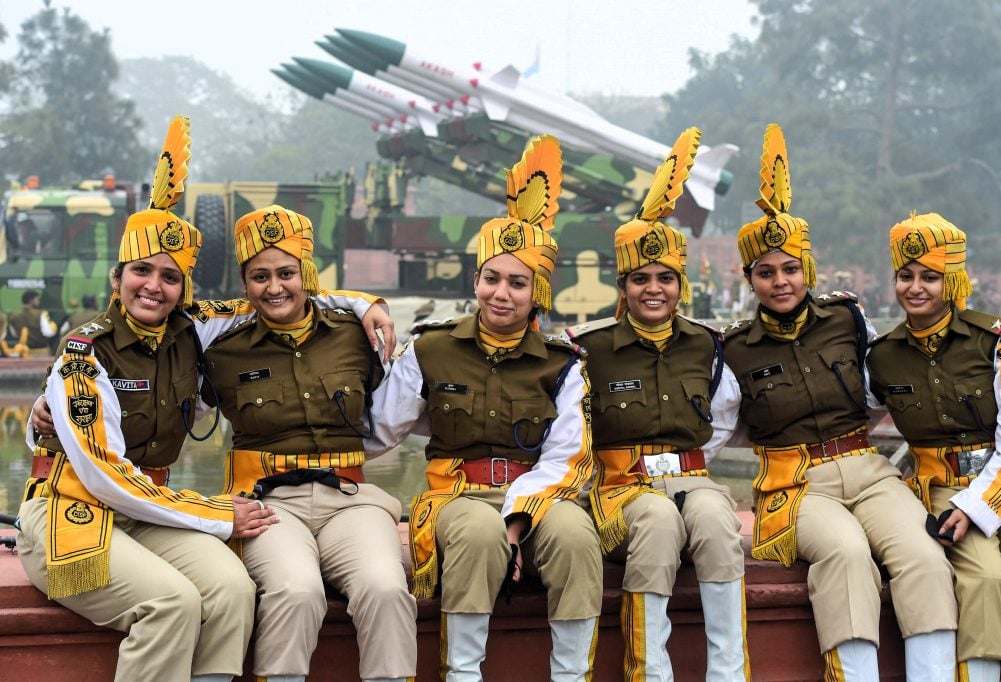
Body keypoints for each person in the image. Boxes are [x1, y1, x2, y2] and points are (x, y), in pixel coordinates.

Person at [15, 116, 276, 682]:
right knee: (171, 604)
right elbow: (106, 476)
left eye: (170, 275)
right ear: (118, 278)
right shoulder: (83, 354)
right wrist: (213, 511)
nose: (154, 286)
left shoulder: (193, 329)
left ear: (186, 289)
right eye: (141, 271)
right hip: (73, 509)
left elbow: (278, 298)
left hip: (146, 512)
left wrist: (365, 304)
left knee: (234, 588)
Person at [721, 124, 958, 681]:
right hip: (794, 484)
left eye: (790, 268)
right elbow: (708, 429)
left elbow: (884, 386)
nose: (781, 281)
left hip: (869, 470)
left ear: (808, 268)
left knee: (923, 555)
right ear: (750, 278)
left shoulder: (846, 320)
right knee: (848, 554)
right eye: (766, 272)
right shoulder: (732, 348)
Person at [368, 135, 602, 681]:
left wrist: (518, 517)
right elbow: (379, 430)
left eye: (518, 283)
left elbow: (569, 458)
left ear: (536, 292)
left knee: (575, 537)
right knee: (476, 532)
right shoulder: (431, 346)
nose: (502, 293)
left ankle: (571, 675)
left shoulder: (563, 362)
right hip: (457, 493)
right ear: (474, 281)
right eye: (492, 279)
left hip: (540, 491)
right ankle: (463, 672)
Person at [201, 204, 416, 682]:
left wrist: (366, 303)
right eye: (260, 276)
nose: (274, 287)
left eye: (286, 273)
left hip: (350, 501)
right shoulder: (222, 351)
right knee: (296, 590)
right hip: (267, 503)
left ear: (307, 273)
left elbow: (409, 398)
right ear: (244, 283)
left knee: (385, 586)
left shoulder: (356, 335)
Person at [566, 127, 748, 681]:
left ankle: (728, 673)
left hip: (693, 481)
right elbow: (570, 430)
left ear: (680, 283)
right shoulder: (587, 347)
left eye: (665, 278)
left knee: (718, 521)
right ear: (622, 286)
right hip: (621, 491)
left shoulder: (705, 343)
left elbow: (719, 419)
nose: (654, 289)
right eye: (640, 278)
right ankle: (650, 673)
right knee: (658, 520)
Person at [867, 212, 1001, 682]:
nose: (916, 288)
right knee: (984, 580)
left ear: (952, 281)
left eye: (930, 277)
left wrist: (979, 506)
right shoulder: (882, 356)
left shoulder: (1000, 341)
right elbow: (852, 415)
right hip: (940, 489)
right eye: (905, 276)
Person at [7, 289, 58, 356]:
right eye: (37, 299)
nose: (39, 302)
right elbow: (48, 332)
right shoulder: (41, 314)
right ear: (32, 300)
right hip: (41, 352)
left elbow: (14, 334)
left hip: (23, 353)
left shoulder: (14, 316)